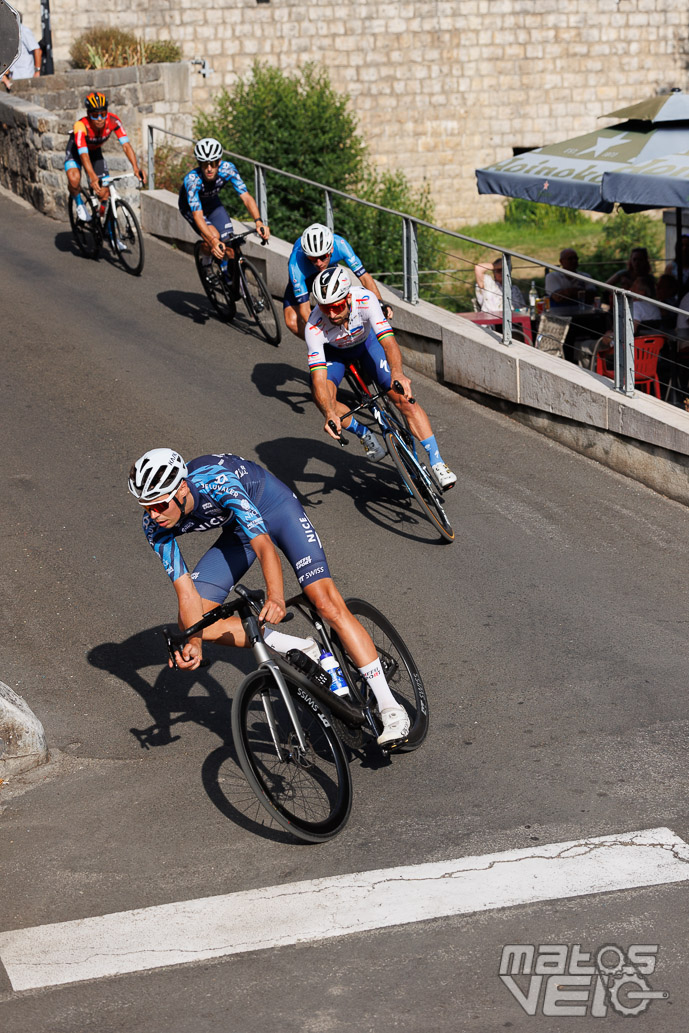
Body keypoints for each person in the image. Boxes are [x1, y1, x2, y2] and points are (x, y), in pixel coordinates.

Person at [128, 448, 411, 745]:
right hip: (239, 529)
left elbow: (264, 546)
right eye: (146, 507)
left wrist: (276, 597)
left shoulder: (215, 482)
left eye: (159, 505)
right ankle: (302, 647)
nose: (153, 515)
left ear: (182, 488)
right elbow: (186, 592)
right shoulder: (154, 527)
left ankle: (391, 706)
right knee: (197, 622)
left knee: (324, 601)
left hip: (275, 509)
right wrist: (195, 642)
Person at [304, 266, 457, 489]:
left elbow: (388, 342)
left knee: (404, 400)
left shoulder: (365, 299)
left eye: (336, 306)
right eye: (325, 308)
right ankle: (364, 433)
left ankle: (437, 461)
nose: (332, 314)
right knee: (322, 397)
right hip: (334, 354)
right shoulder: (314, 325)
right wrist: (328, 413)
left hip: (366, 345)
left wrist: (398, 373)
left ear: (348, 297)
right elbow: (318, 377)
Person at [283, 223, 390, 339]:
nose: (318, 263)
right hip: (305, 277)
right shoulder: (295, 265)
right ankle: (326, 348)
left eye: (323, 256)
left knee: (341, 307)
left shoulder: (340, 245)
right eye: (312, 259)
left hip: (329, 270)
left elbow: (364, 277)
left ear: (331, 249)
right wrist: (323, 338)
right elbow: (305, 310)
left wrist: (380, 303)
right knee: (292, 323)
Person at [178, 137, 269, 274]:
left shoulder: (228, 169)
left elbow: (246, 197)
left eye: (213, 163)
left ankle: (231, 278)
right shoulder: (192, 180)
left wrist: (258, 221)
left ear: (219, 162)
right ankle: (206, 261)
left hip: (213, 204)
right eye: (204, 164)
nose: (209, 169)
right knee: (214, 236)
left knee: (231, 244)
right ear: (199, 163)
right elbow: (198, 216)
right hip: (192, 209)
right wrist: (213, 241)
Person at [64, 92, 146, 224]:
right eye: (95, 115)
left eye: (103, 113)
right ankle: (79, 203)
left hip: (95, 152)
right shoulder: (81, 126)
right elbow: (84, 155)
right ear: (89, 114)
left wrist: (136, 168)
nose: (100, 118)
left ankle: (109, 231)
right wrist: (92, 176)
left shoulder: (113, 121)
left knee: (104, 193)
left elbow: (126, 145)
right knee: (74, 179)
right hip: (76, 151)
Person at [1, 10, 41, 91]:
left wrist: (37, 71)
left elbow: (37, 50)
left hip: (25, 74)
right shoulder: (11, 33)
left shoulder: (24, 31)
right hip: (15, 75)